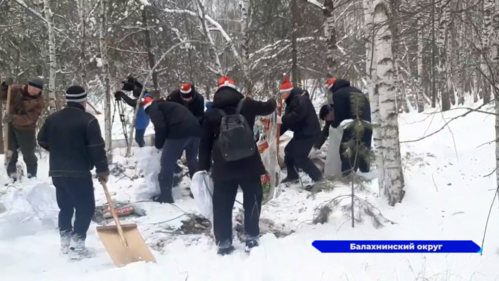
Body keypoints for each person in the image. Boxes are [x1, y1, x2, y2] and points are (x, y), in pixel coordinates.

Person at [198, 76, 277, 255]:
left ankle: (224, 242)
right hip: (249, 163)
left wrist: (201, 168)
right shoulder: (247, 104)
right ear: (234, 89)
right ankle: (252, 236)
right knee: (253, 200)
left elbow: (204, 144)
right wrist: (273, 98)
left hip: (223, 166)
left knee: (222, 205)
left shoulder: (210, 113)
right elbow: (269, 107)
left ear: (218, 91)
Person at [37, 86, 109, 260]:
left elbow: (41, 139)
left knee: (66, 206)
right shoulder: (88, 120)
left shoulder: (52, 119)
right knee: (85, 207)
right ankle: (78, 244)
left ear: (67, 99)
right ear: (83, 101)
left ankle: (65, 241)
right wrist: (102, 169)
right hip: (78, 171)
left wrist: (56, 150)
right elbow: (96, 148)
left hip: (57, 171)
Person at [141, 96, 201, 203]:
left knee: (166, 163)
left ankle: (166, 196)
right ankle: (198, 191)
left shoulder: (153, 108)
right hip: (195, 131)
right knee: (192, 160)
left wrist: (158, 145)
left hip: (179, 132)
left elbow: (160, 127)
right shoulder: (168, 105)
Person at [316, 78, 372, 175]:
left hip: (353, 126)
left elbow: (340, 116)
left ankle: (347, 179)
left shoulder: (338, 94)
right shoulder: (356, 90)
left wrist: (335, 124)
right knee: (364, 151)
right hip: (367, 125)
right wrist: (316, 146)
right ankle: (365, 175)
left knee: (346, 152)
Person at [278, 76, 322, 185]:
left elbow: (297, 116)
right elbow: (288, 121)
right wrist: (277, 134)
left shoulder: (299, 99)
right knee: (289, 151)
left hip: (309, 132)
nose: (281, 96)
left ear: (287, 92)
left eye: (282, 93)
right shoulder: (292, 101)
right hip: (301, 132)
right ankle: (292, 175)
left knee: (300, 157)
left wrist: (282, 119)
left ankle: (318, 179)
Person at [0, 77, 45, 180]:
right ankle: (11, 173)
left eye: (37, 90)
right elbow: (2, 95)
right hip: (11, 127)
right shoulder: (15, 90)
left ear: (40, 91)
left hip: (26, 130)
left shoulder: (39, 102)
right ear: (27, 85)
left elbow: (29, 118)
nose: (34, 91)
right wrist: (4, 86)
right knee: (10, 151)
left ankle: (32, 175)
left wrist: (13, 118)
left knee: (28, 153)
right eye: (32, 88)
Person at [114, 76, 150, 147]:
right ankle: (143, 148)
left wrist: (121, 95)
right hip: (141, 121)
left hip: (142, 122)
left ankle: (143, 148)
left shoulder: (145, 99)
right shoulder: (146, 95)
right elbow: (142, 88)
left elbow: (133, 103)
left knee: (138, 139)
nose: (135, 96)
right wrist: (134, 82)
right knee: (138, 138)